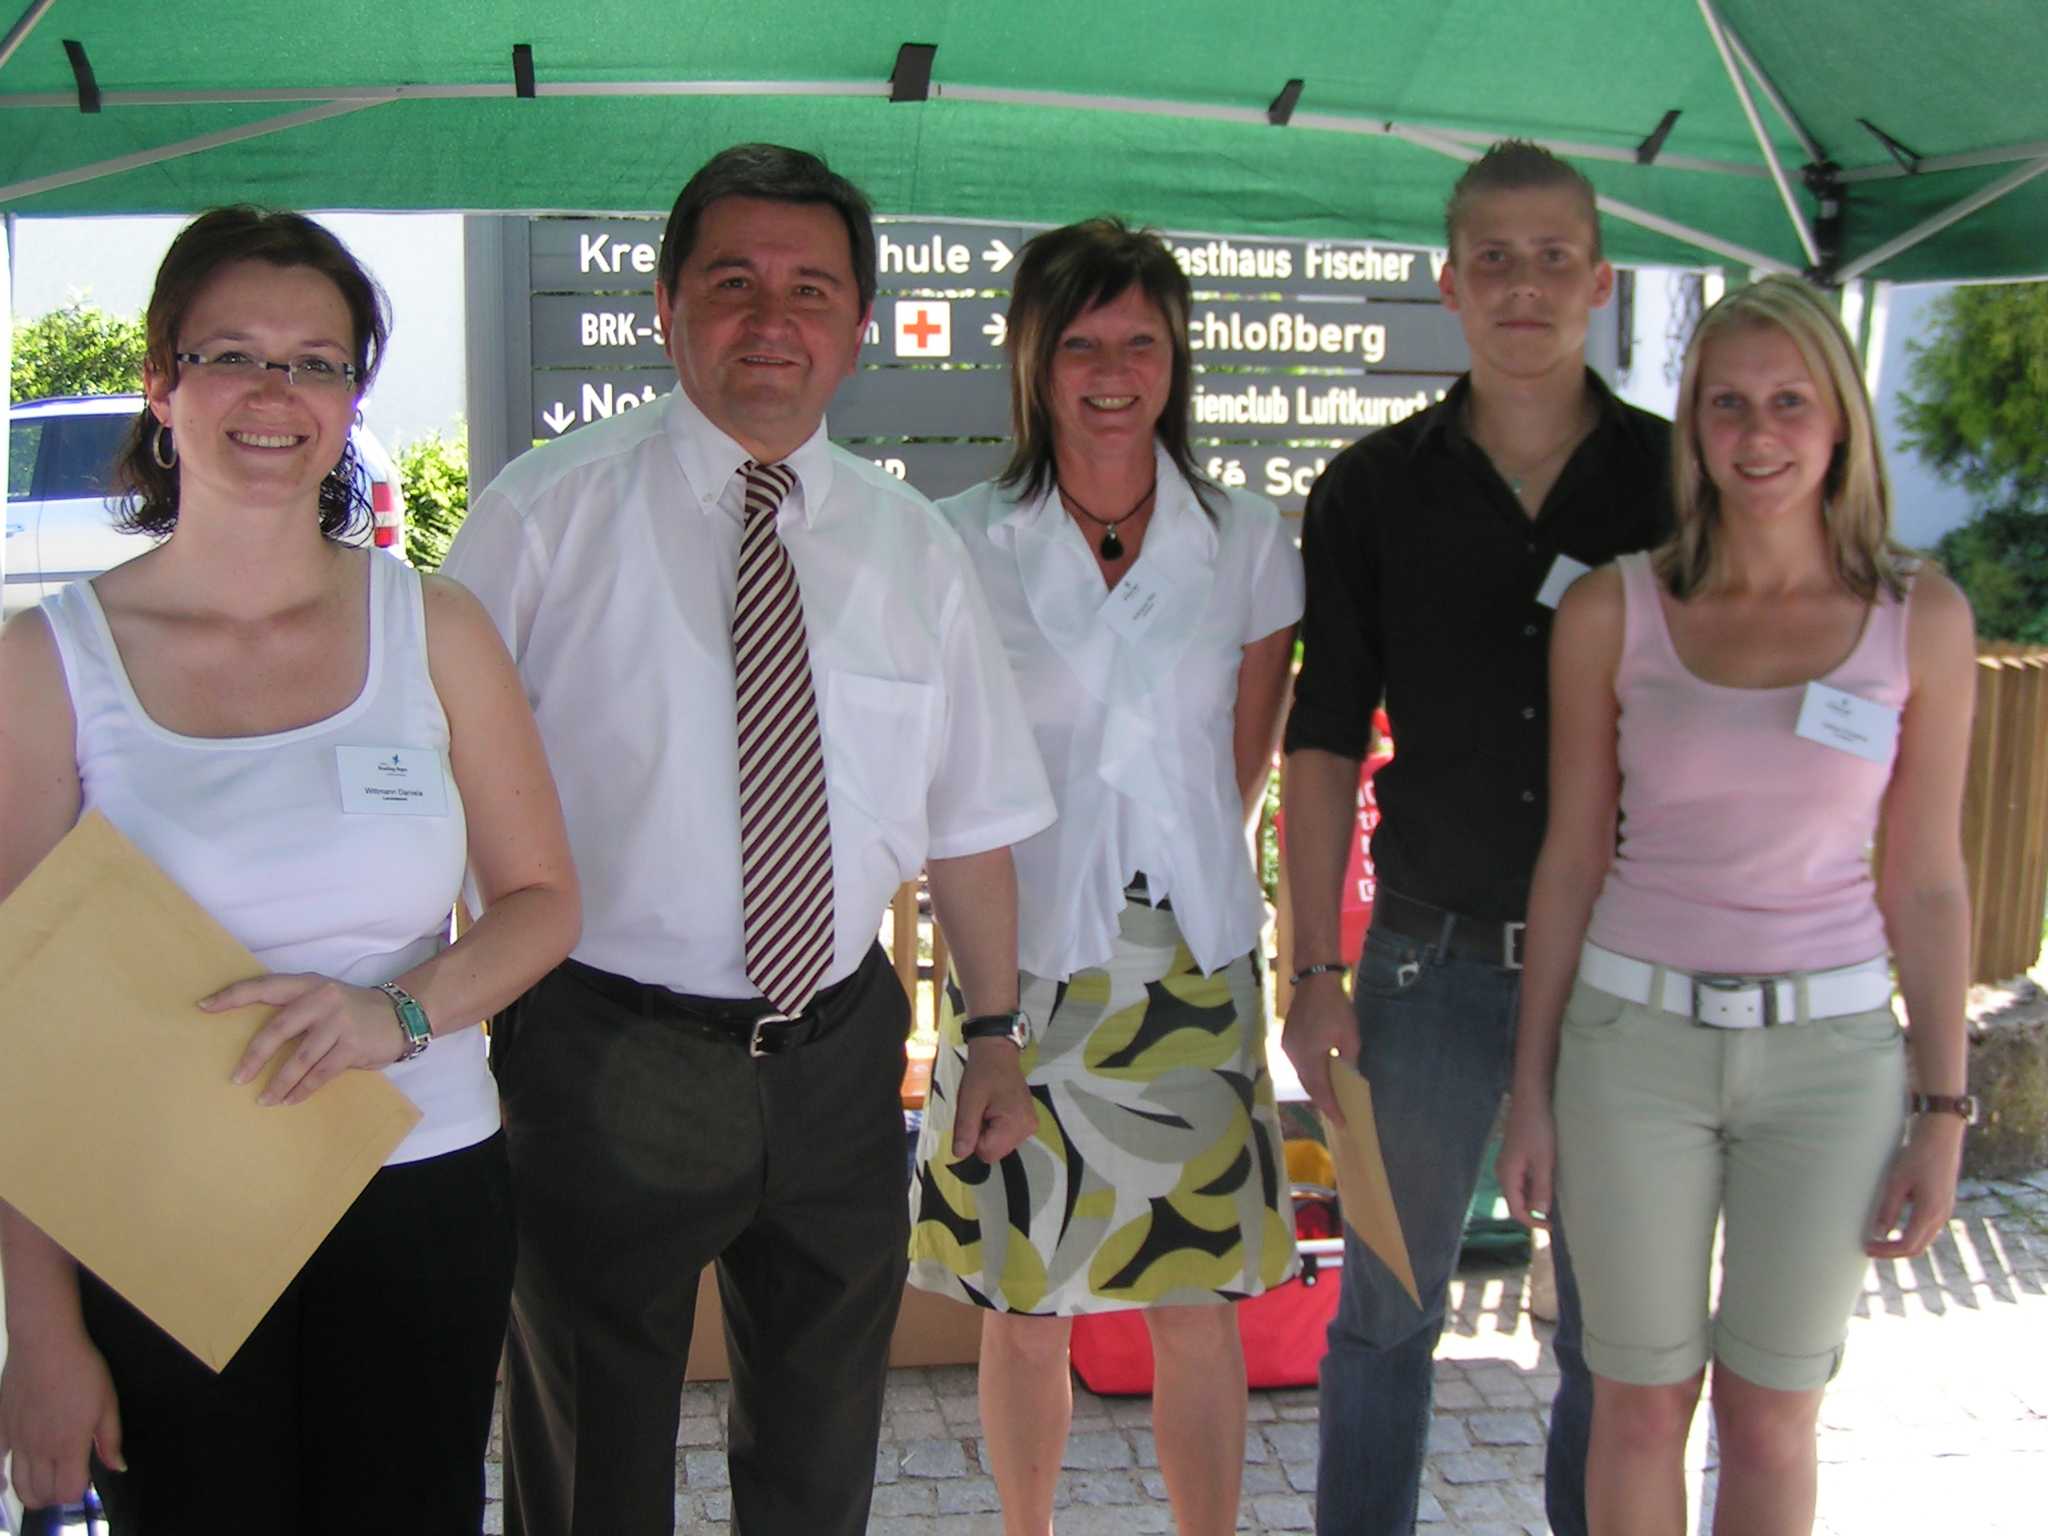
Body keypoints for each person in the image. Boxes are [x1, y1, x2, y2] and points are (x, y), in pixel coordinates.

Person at [440, 142, 1057, 1536]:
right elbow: (433, 792)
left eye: (810, 289)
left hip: (836, 1062)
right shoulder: (541, 520)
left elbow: (968, 825)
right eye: (732, 282)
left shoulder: (915, 553)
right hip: (601, 1048)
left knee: (822, 1461)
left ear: (856, 327)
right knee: (591, 1466)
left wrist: (1000, 1031)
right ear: (666, 308)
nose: (770, 320)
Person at [0, 206, 580, 1533]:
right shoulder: (54, 664)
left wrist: (402, 1012)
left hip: (423, 1188)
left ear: (350, 399)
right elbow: (14, 1034)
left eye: (317, 362)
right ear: (163, 384)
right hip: (157, 1213)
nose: (276, 394)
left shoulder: (430, 624)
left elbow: (545, 902)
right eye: (232, 354)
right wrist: (39, 1332)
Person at [1496, 274, 1975, 1535]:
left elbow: (1924, 880)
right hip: (1631, 1051)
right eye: (1724, 405)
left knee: (1771, 1414)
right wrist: (1531, 1088)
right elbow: (1569, 863)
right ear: (1691, 426)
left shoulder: (1916, 619)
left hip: (1829, 1066)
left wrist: (1941, 1106)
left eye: (1787, 402)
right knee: (1637, 1403)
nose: (1756, 435)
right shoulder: (1614, 609)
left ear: (1837, 425)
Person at [1280, 141, 1670, 1536]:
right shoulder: (1373, 490)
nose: (1524, 284)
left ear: (1601, 280)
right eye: (1492, 258)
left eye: (1553, 256)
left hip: (1630, 985)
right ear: (1447, 283)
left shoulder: (1675, 488)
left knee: (1610, 1339)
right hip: (1419, 977)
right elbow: (1321, 737)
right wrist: (1309, 972)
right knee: (1385, 1317)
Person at [907, 219, 1304, 1536]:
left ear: (1177, 355)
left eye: (1140, 338)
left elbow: (1235, 767)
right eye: (1081, 341)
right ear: (1033, 358)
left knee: (1193, 1307)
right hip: (1014, 974)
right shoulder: (959, 543)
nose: (1112, 367)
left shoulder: (1246, 541)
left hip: (1187, 965)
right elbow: (948, 769)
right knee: (1025, 1308)